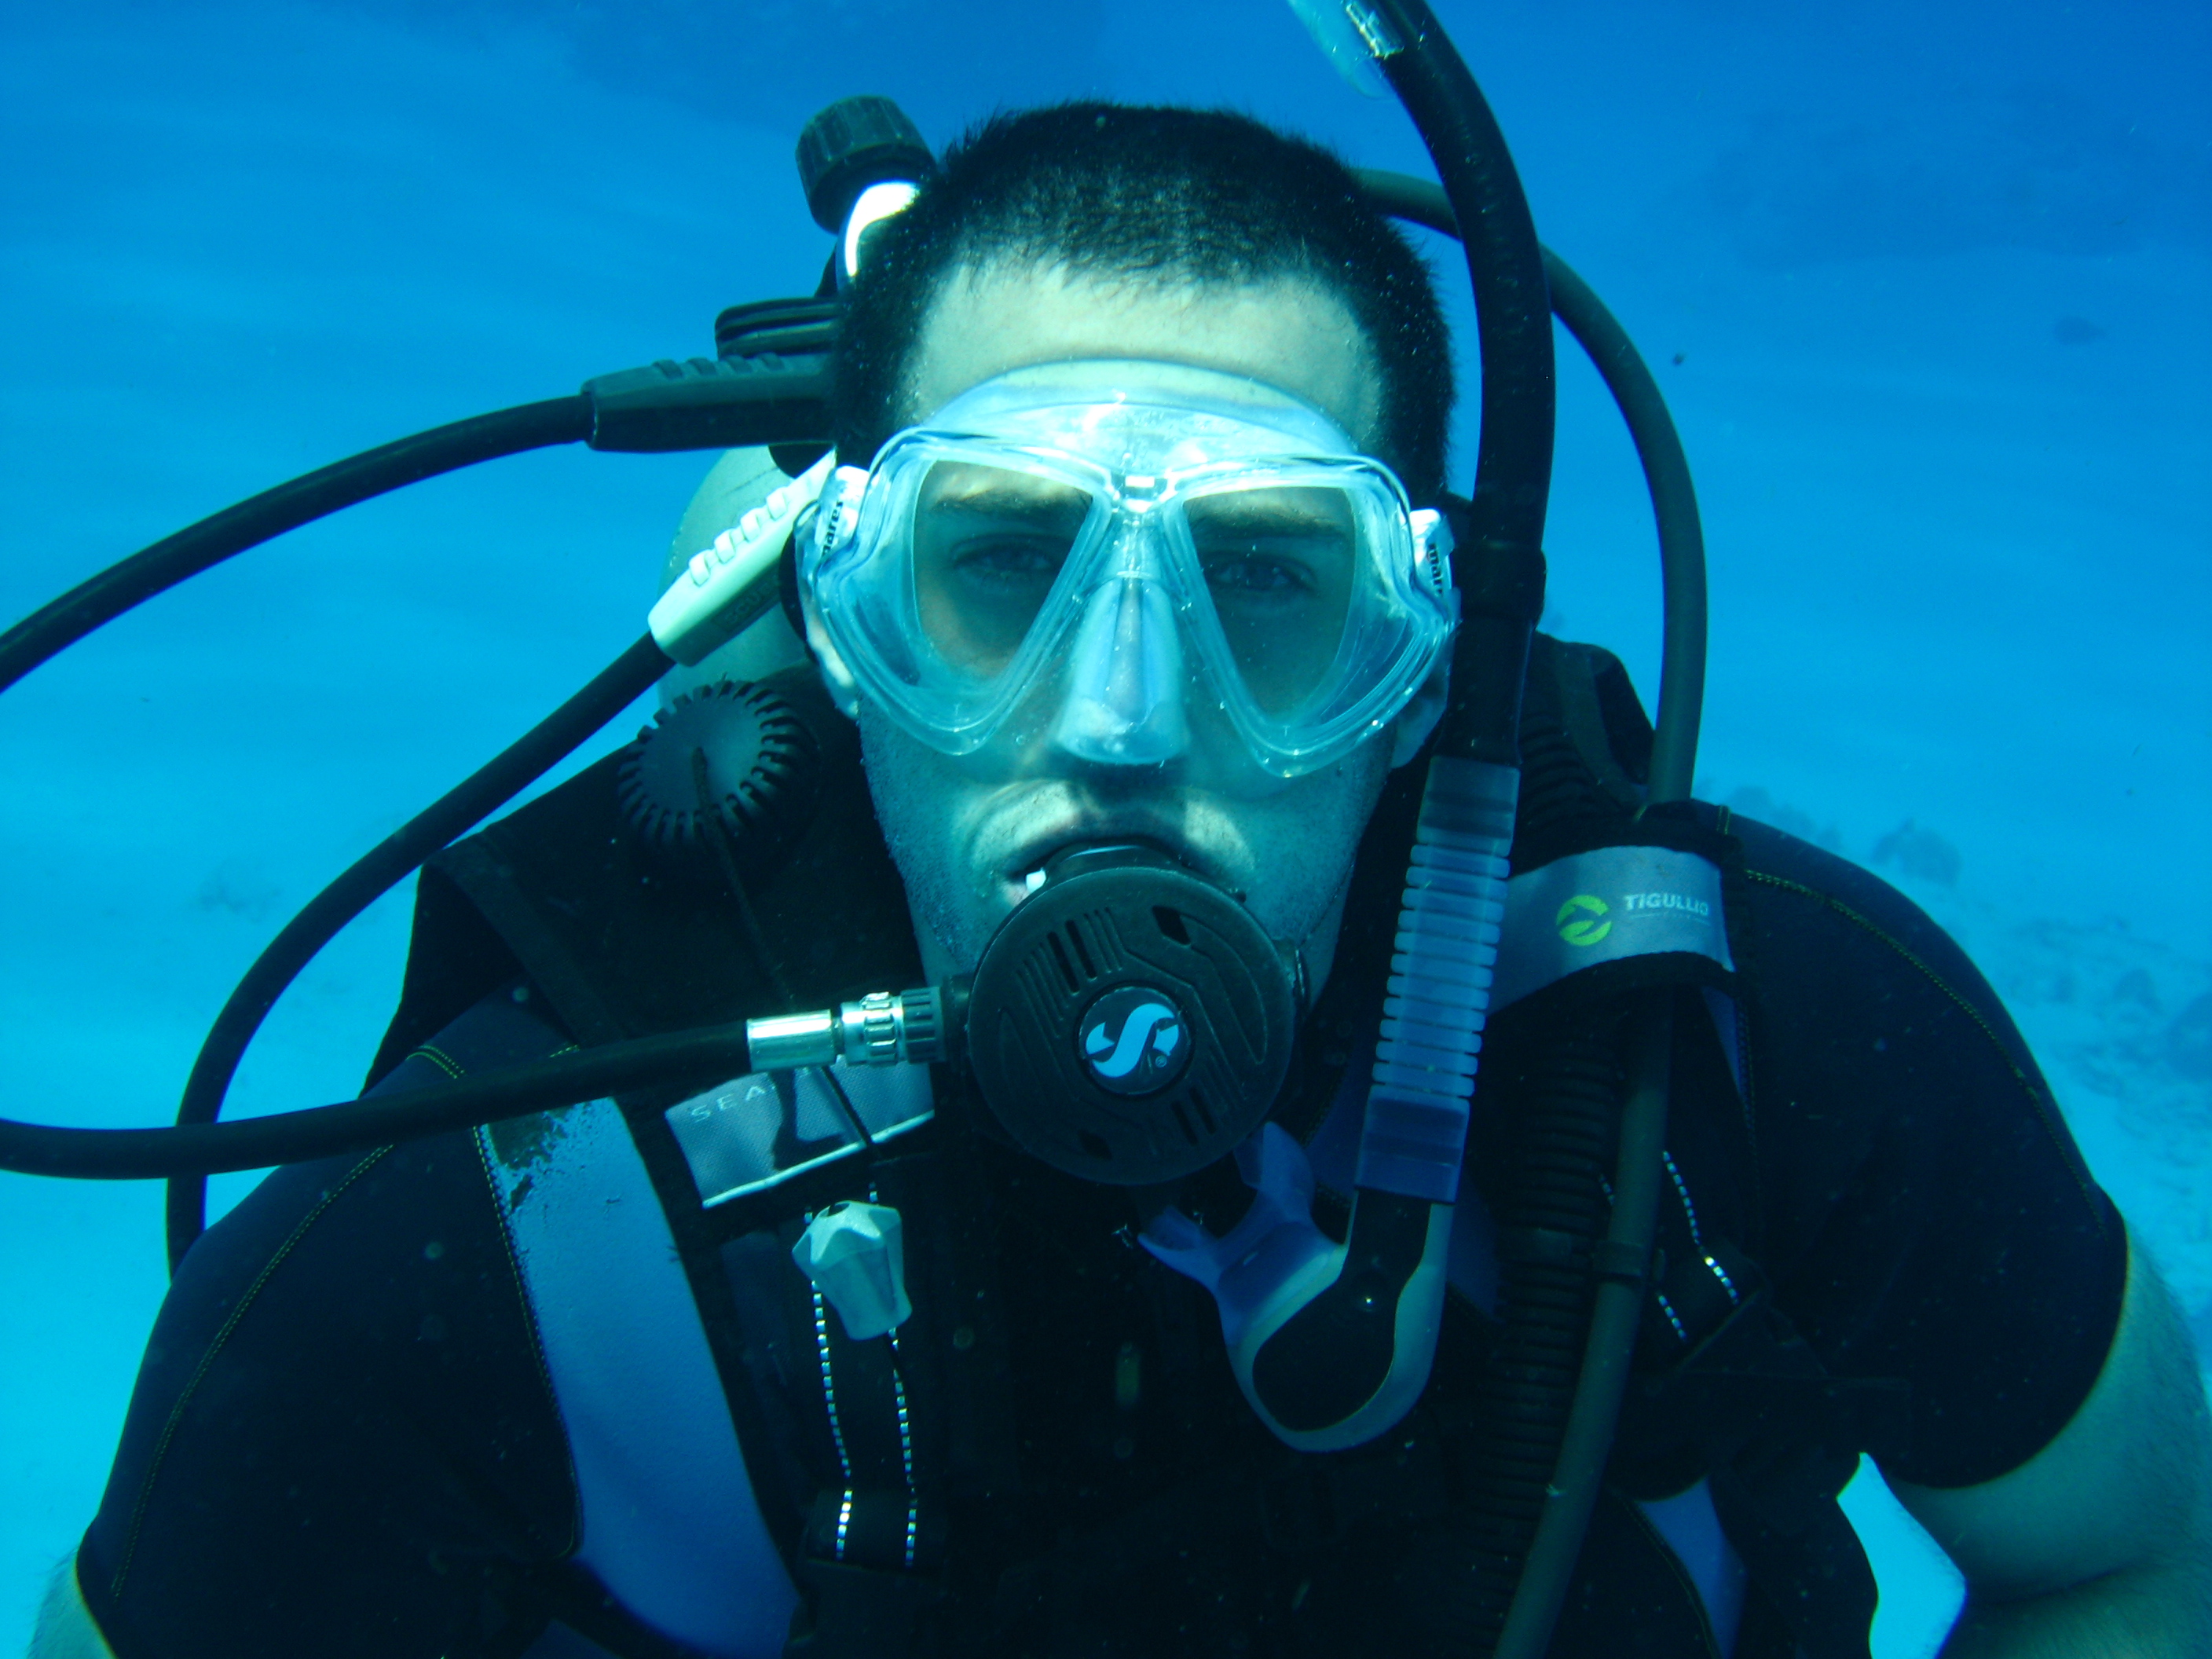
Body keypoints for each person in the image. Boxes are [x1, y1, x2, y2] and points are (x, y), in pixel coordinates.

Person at [31, 103, 2212, 1659]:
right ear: (840, 633)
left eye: (1268, 581)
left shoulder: (1747, 1047)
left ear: (1425, 670)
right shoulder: (489, 1226)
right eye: (998, 564)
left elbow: (2135, 1556)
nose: (1123, 721)